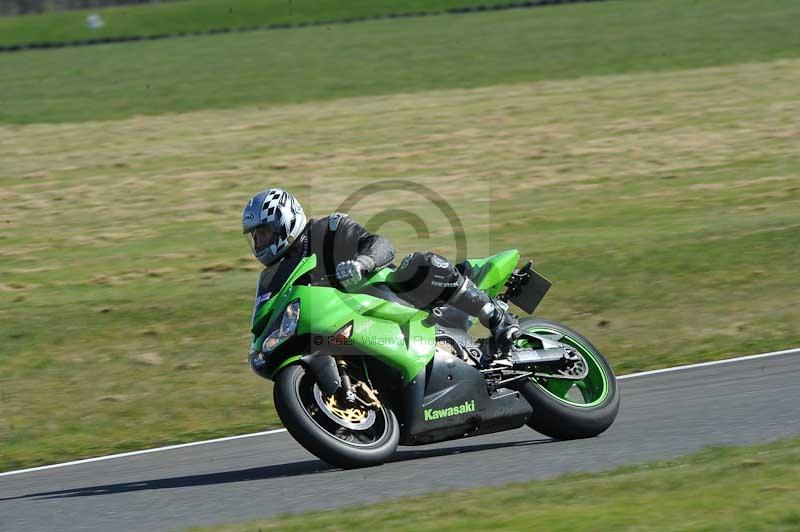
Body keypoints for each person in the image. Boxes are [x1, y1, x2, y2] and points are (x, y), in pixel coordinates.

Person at [242, 188, 519, 350]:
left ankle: (496, 317)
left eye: (264, 233)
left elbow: (381, 244)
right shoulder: (281, 272)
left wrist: (362, 264)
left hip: (398, 299)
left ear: (285, 222)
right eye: (256, 237)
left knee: (418, 264)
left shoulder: (327, 230)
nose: (260, 241)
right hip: (362, 327)